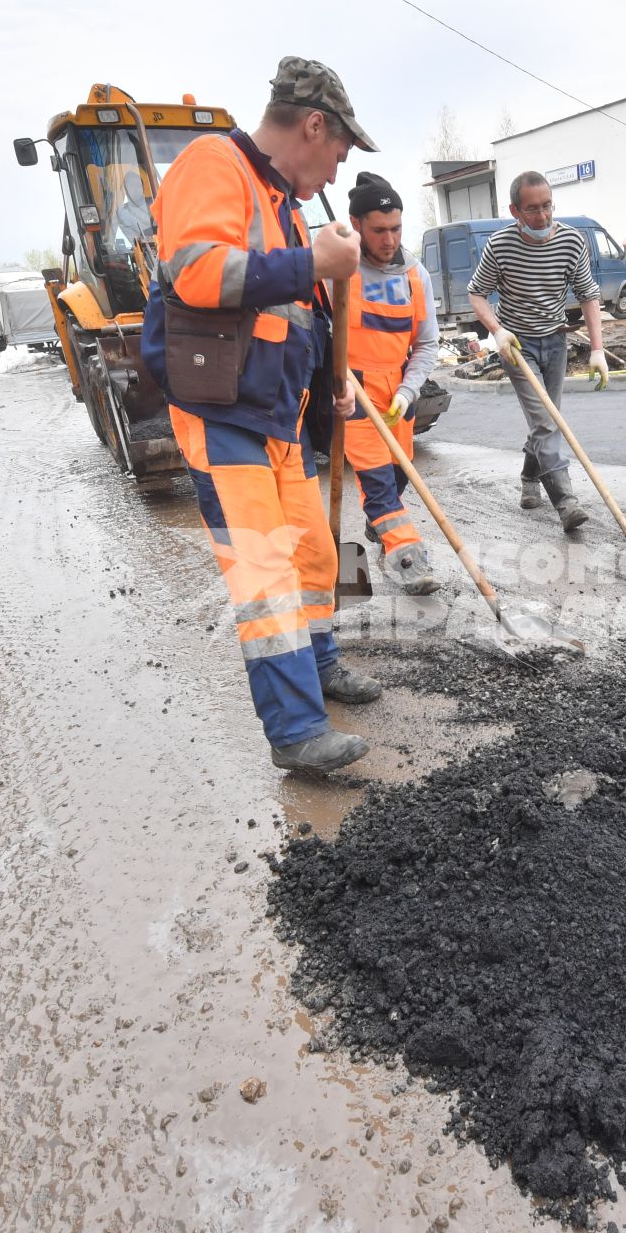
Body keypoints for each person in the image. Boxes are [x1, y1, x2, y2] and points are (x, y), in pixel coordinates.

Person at [140, 56, 382, 775]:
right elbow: (199, 274)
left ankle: (321, 665)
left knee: (310, 556)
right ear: (313, 126)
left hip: (276, 416)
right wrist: (311, 263)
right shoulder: (212, 164)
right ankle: (298, 732)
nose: (337, 175)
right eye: (338, 153)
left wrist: (330, 379)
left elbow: (288, 318)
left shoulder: (283, 204)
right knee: (265, 578)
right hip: (223, 415)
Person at [466, 171, 608, 533]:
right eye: (532, 210)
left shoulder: (572, 242)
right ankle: (566, 502)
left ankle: (530, 478)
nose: (542, 217)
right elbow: (476, 293)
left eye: (547, 206)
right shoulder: (499, 246)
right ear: (515, 210)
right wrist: (497, 331)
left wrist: (597, 349)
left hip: (555, 340)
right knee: (547, 422)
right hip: (517, 345)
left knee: (547, 419)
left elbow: (589, 294)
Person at [342, 171, 441, 595]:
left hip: (400, 392)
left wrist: (408, 389)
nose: (389, 239)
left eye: (397, 229)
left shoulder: (415, 275)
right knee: (380, 485)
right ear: (357, 225)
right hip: (354, 390)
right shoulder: (338, 271)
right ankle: (408, 561)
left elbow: (428, 343)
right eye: (379, 230)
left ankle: (378, 522)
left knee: (399, 479)